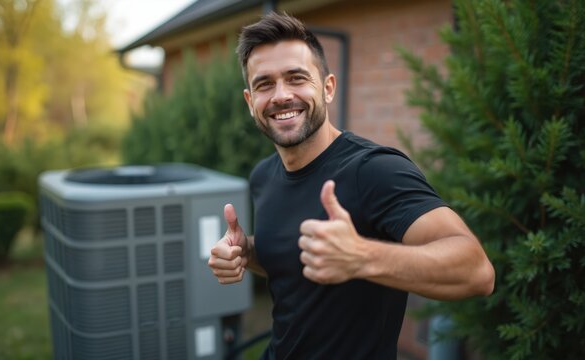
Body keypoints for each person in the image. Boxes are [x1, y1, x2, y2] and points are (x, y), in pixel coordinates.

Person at [208, 12, 495, 360]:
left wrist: (361, 257)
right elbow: (294, 262)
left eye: (296, 78)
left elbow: (477, 271)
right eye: (264, 84)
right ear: (249, 101)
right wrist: (247, 253)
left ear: (327, 88)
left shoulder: (374, 170)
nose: (281, 95)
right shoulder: (263, 176)